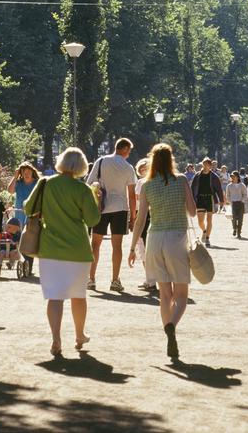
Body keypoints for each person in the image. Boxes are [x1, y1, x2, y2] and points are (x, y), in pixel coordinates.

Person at [24, 147, 101, 357]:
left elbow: (28, 207)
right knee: (78, 296)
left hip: (50, 249)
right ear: (82, 166)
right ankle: (79, 335)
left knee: (55, 297)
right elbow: (93, 220)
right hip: (78, 250)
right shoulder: (83, 189)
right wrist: (97, 199)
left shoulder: (46, 183)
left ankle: (56, 339)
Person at [129, 143, 197, 360]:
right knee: (182, 295)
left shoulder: (147, 185)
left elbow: (140, 220)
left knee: (164, 294)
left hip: (155, 238)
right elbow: (193, 211)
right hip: (176, 238)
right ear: (171, 160)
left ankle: (168, 327)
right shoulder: (182, 180)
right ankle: (171, 328)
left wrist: (132, 248)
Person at [85, 138, 138, 292]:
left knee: (95, 244)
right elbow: (132, 195)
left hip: (100, 207)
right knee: (117, 246)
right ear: (126, 149)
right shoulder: (128, 168)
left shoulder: (100, 161)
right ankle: (115, 280)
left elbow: (90, 185)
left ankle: (91, 279)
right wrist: (132, 217)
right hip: (120, 208)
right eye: (129, 151)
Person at [133, 159, 158, 294]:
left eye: (145, 168)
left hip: (144, 216)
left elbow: (138, 201)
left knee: (143, 247)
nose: (144, 171)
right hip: (152, 215)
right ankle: (151, 279)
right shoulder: (154, 181)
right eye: (142, 169)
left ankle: (150, 280)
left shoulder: (142, 183)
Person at [190, 158, 224, 247]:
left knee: (209, 219)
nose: (205, 166)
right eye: (204, 164)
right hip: (200, 199)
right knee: (200, 221)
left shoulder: (214, 176)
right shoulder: (197, 176)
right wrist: (191, 200)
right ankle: (204, 231)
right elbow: (192, 189)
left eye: (207, 164)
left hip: (210, 199)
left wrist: (221, 200)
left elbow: (219, 189)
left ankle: (208, 238)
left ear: (210, 166)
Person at [8, 162, 40, 226]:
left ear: (32, 172)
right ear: (21, 174)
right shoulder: (18, 183)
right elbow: (10, 191)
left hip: (33, 214)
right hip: (19, 215)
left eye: (28, 172)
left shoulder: (37, 183)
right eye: (24, 173)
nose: (26, 174)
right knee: (20, 234)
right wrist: (15, 176)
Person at [226, 171, 248, 238]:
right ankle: (234, 228)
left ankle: (239, 232)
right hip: (233, 204)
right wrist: (230, 201)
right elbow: (227, 195)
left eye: (234, 176)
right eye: (232, 176)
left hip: (240, 203)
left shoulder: (242, 185)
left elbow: (245, 194)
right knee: (234, 218)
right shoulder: (229, 186)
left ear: (237, 177)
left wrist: (242, 200)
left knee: (240, 219)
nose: (232, 178)